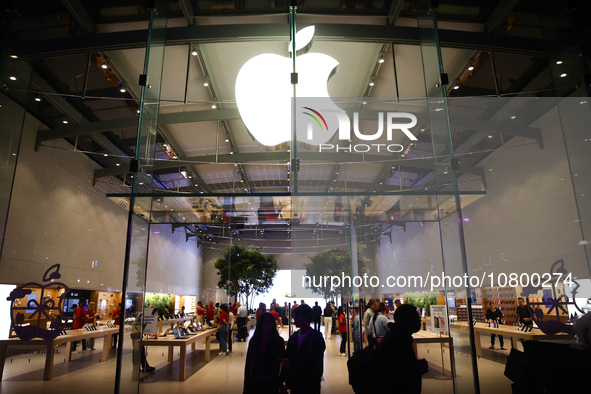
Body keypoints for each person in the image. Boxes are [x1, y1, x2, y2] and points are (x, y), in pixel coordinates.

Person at [378, 304, 427, 394]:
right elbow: (402, 373)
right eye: (416, 318)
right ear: (407, 321)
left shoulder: (397, 337)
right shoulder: (399, 341)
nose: (419, 322)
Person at [282, 304, 326, 394]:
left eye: (297, 316)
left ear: (306, 317)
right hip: (295, 383)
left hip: (310, 384)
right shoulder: (294, 337)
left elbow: (314, 363)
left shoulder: (316, 337)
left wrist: (292, 364)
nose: (295, 319)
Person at [243, 312, 286, 394]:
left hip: (272, 383)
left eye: (269, 323)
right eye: (264, 322)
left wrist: (280, 383)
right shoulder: (254, 341)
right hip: (255, 383)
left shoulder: (278, 342)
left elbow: (283, 364)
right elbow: (249, 365)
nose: (267, 325)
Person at [131, 305, 156, 373]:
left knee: (141, 350)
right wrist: (150, 334)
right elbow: (143, 326)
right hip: (136, 334)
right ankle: (137, 368)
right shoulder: (144, 315)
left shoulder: (143, 314)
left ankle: (144, 366)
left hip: (137, 333)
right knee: (138, 351)